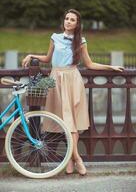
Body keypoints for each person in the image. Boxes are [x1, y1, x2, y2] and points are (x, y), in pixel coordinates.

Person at [22, 9, 124, 176]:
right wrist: (31, 55)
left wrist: (110, 67)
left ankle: (71, 159)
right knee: (63, 120)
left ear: (77, 24)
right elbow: (48, 59)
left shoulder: (81, 41)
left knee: (72, 122)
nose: (68, 21)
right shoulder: (55, 37)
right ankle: (76, 158)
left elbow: (89, 64)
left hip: (73, 80)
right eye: (67, 19)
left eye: (72, 20)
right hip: (56, 80)